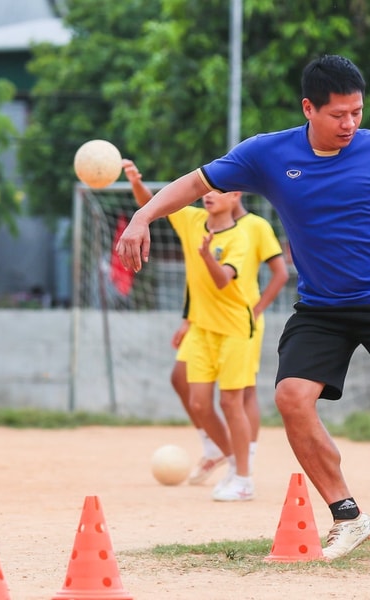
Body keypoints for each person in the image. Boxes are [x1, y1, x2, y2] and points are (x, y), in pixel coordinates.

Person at [115, 54, 370, 559]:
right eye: (338, 114)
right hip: (322, 307)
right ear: (308, 109)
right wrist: (142, 215)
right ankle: (347, 514)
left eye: (357, 112)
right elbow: (196, 182)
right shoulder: (268, 154)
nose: (350, 124)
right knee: (292, 397)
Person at [123, 159, 289, 488]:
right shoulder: (194, 221)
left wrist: (257, 309)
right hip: (202, 323)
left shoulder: (249, 230)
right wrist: (136, 184)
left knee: (240, 396)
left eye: (218, 189)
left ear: (237, 194)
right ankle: (224, 453)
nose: (209, 194)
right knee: (193, 390)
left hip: (238, 323)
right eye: (207, 189)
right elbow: (154, 206)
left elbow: (276, 274)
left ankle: (244, 465)